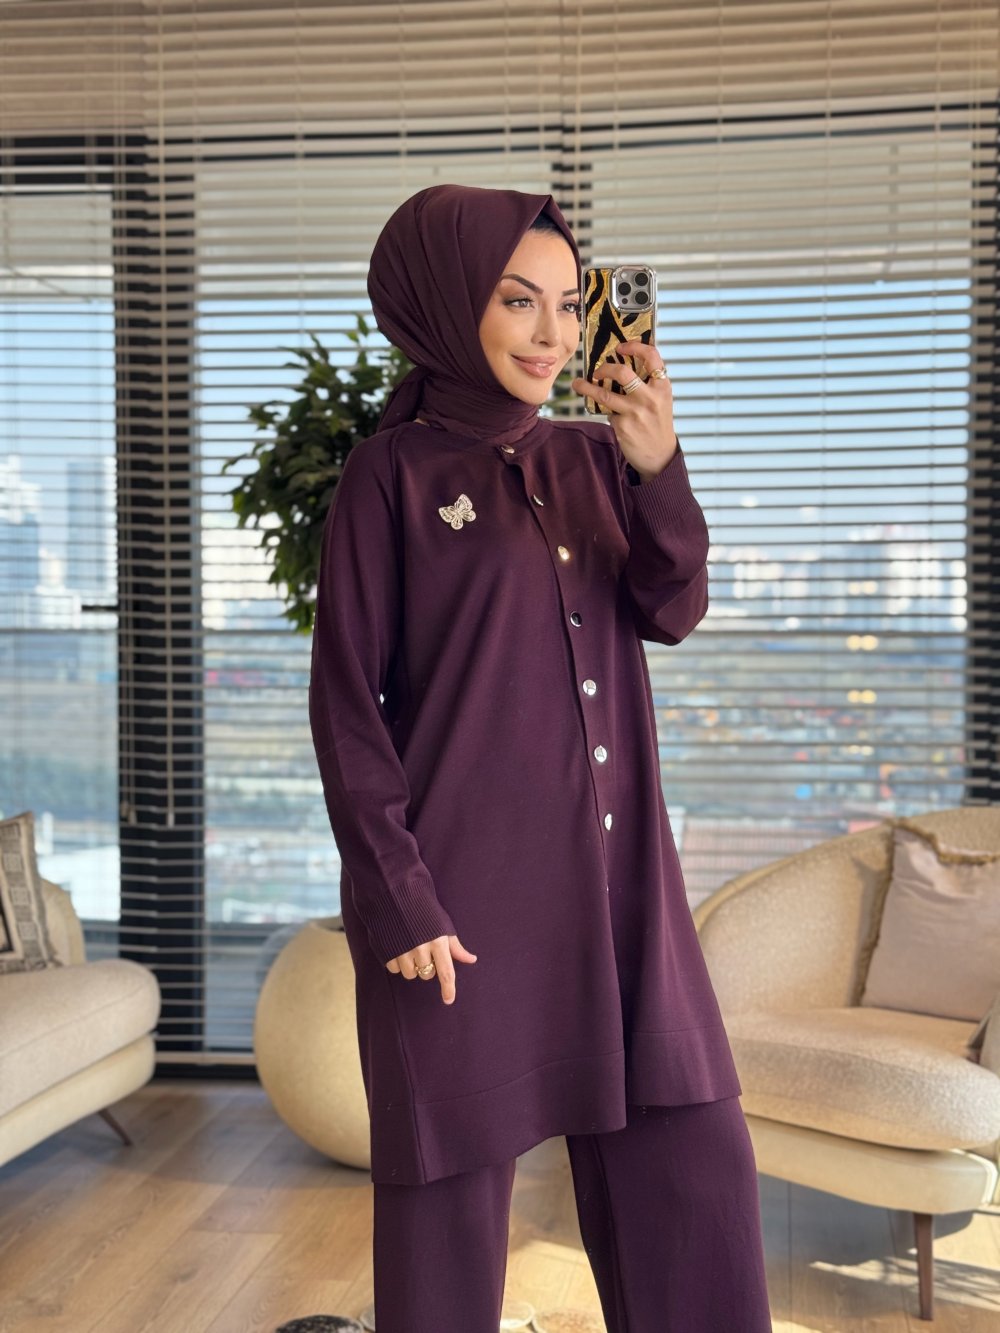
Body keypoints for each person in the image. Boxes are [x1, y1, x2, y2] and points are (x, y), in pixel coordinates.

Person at [308, 183, 772, 1333]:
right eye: (518, 300)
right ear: (446, 299)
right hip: (457, 909)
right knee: (447, 1210)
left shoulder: (596, 457)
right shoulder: (389, 478)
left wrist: (659, 467)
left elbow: (672, 608)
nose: (553, 333)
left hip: (619, 894)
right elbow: (347, 707)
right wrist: (399, 897)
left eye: (568, 305)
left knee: (696, 1168)